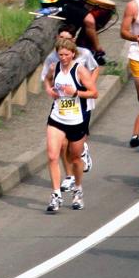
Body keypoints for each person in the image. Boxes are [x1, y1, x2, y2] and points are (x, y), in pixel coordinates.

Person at [42, 34, 97, 213]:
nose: (63, 58)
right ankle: (56, 194)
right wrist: (50, 90)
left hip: (76, 119)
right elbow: (47, 79)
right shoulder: (54, 67)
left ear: (73, 54)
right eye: (60, 54)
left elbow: (94, 93)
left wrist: (75, 93)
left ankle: (78, 189)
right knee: (52, 156)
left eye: (66, 55)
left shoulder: (80, 70)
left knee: (75, 158)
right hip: (57, 117)